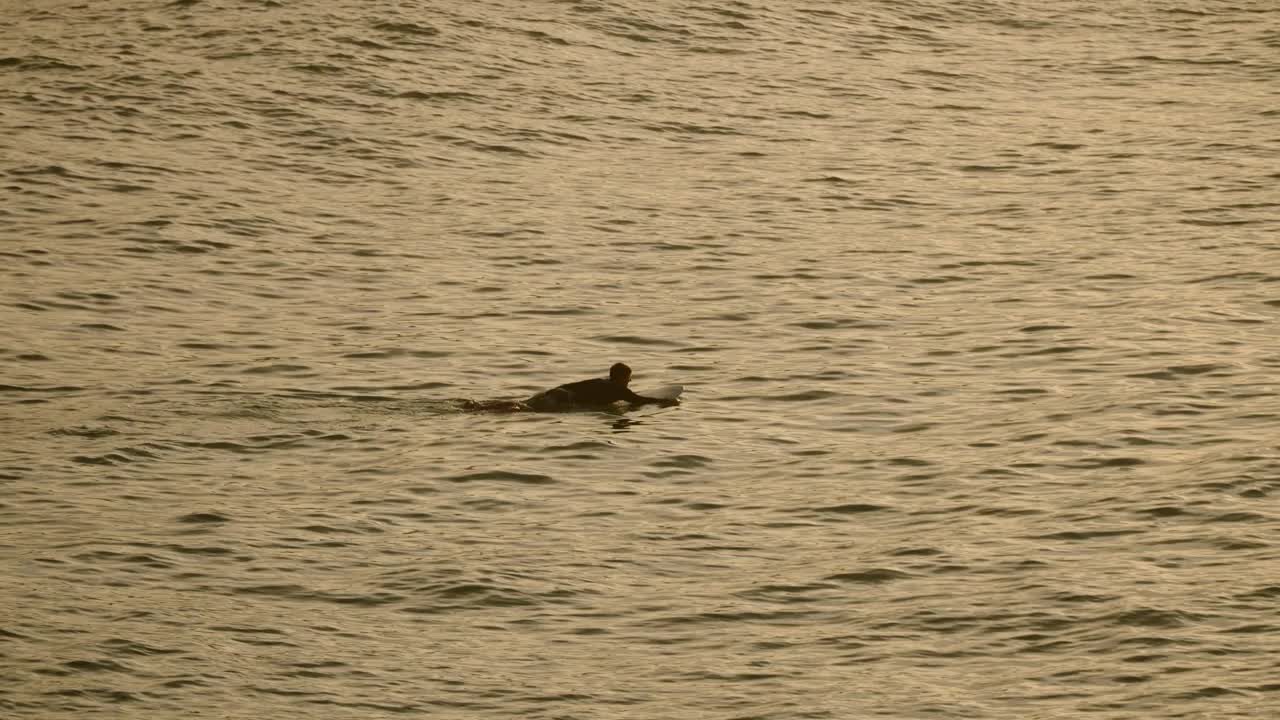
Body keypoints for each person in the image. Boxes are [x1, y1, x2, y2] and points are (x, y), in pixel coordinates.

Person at [524, 362, 671, 412]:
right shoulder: (619, 389)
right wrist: (665, 401)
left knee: (522, 408)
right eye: (628, 378)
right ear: (621, 378)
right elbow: (639, 400)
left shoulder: (601, 381)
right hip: (561, 400)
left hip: (554, 393)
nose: (629, 381)